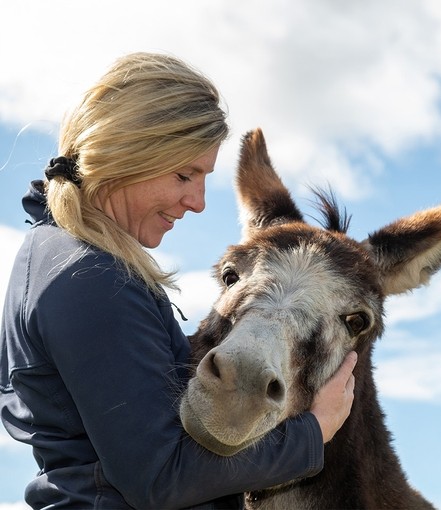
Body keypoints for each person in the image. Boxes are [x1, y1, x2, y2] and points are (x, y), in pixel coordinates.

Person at [0, 52, 357, 509]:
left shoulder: (53, 254)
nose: (199, 202)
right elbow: (160, 478)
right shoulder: (92, 281)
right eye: (184, 174)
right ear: (128, 154)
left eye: (205, 177)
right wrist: (314, 431)